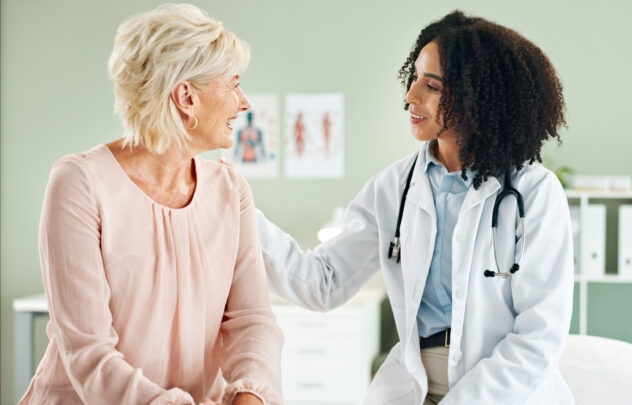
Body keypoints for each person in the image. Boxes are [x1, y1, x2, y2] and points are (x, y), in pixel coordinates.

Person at [254, 10, 573, 405]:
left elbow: (538, 336)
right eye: (415, 77)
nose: (411, 95)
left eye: (432, 85)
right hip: (415, 383)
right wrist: (237, 210)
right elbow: (324, 282)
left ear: (477, 98)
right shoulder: (395, 187)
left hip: (502, 389)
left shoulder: (534, 192)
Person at [20, 4, 282, 405]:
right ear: (186, 97)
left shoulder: (231, 191)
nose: (243, 102)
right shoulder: (79, 183)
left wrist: (251, 397)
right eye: (233, 84)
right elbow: (90, 355)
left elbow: (252, 322)